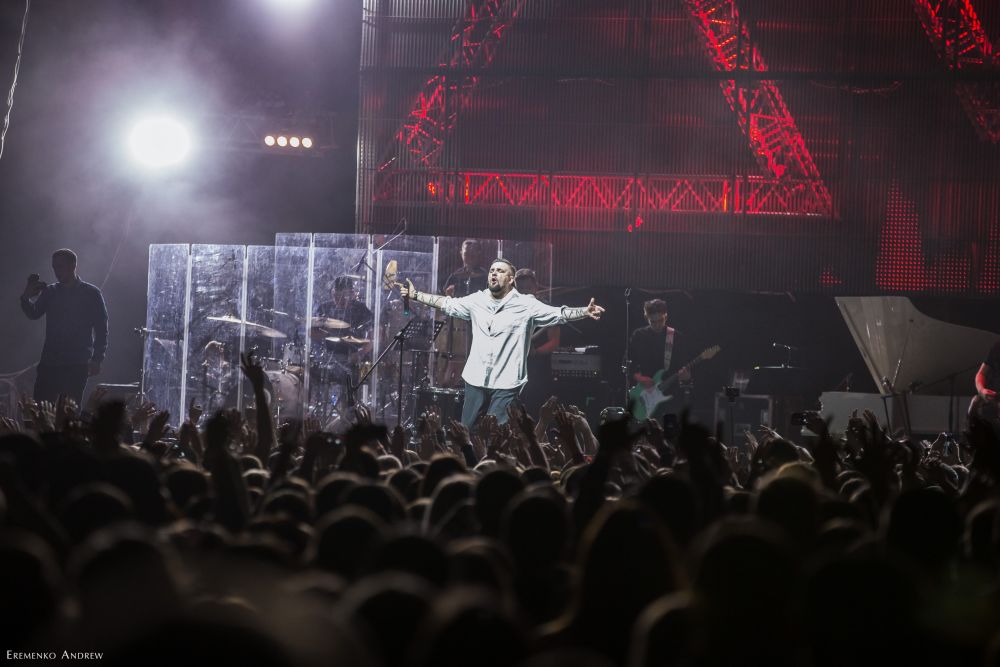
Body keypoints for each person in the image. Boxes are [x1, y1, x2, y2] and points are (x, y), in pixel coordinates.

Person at [399, 259, 604, 427]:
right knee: (465, 432)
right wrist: (415, 295)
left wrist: (584, 312)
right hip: (476, 378)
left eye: (500, 271)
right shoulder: (477, 300)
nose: (494, 274)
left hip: (507, 383)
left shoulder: (526, 304)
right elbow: (447, 303)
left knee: (495, 432)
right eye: (492, 270)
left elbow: (559, 314)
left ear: (511, 279)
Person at [19, 248, 108, 406]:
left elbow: (101, 329)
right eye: (54, 267)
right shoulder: (51, 292)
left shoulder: (91, 293)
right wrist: (25, 297)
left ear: (73, 265)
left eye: (60, 266)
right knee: (41, 410)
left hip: (76, 365)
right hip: (50, 363)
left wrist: (97, 359)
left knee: (68, 412)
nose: (56, 271)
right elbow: (34, 313)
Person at [628, 299, 689, 419]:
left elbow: (684, 367)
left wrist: (686, 376)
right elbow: (628, 364)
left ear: (666, 316)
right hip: (645, 396)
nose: (657, 325)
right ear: (646, 317)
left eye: (660, 320)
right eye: (653, 321)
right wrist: (640, 378)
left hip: (671, 397)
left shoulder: (676, 337)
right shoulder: (638, 336)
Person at [514, 268, 560, 415]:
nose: (525, 292)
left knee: (534, 412)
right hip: (512, 372)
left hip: (537, 371)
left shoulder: (547, 309)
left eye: (528, 288)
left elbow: (554, 342)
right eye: (521, 289)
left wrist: (535, 352)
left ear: (536, 287)